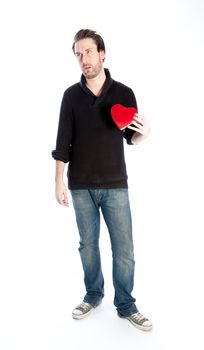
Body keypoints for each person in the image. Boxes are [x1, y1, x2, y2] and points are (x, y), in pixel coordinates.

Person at [52, 29, 152, 331]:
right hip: (80, 184)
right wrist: (58, 181)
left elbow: (130, 134)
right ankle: (93, 295)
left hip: (115, 184)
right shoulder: (70, 96)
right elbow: (62, 142)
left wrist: (144, 133)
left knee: (124, 248)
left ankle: (126, 304)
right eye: (78, 54)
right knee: (88, 245)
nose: (84, 59)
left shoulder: (123, 93)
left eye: (89, 52)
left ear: (102, 53)